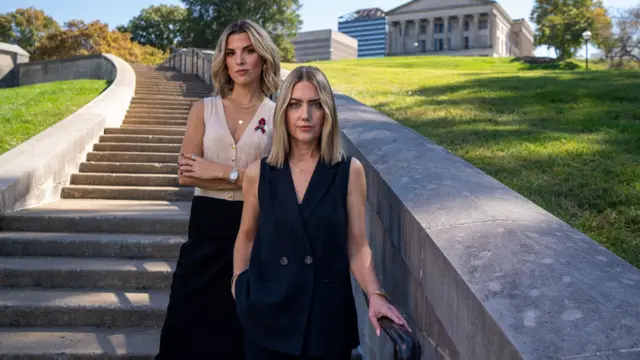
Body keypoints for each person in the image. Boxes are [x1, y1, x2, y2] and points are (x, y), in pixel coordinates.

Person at [232, 66, 410, 360]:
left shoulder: (348, 171)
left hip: (326, 319)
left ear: (327, 112)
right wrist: (238, 282)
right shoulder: (258, 174)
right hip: (267, 314)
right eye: (295, 105)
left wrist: (375, 294)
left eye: (315, 105)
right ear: (283, 112)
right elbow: (247, 236)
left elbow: (357, 244)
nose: (305, 115)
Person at [155, 19, 281, 360]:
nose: (239, 60)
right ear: (223, 61)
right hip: (206, 228)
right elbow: (185, 173)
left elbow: (278, 184)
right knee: (186, 325)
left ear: (263, 57)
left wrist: (215, 171)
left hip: (255, 231)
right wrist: (242, 177)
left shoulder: (279, 115)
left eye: (248, 51)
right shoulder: (203, 109)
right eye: (231, 53)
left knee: (237, 332)